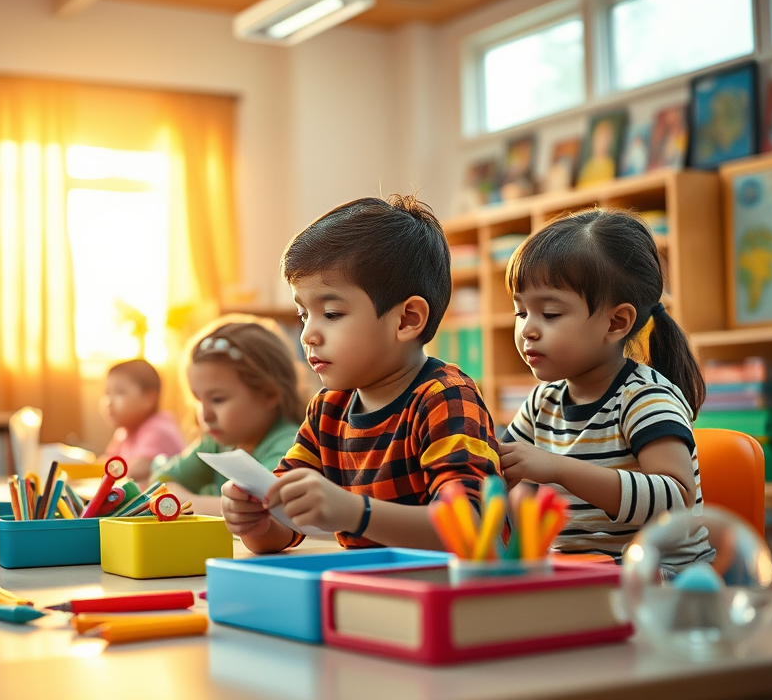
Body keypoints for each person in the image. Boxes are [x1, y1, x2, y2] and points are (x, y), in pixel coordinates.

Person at [222, 195, 502, 553]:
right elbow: (282, 531)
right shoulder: (328, 408)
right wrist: (256, 518)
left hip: (454, 595)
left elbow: (471, 528)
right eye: (303, 314)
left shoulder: (444, 398)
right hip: (368, 591)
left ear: (407, 320)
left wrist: (356, 513)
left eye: (332, 314)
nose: (308, 334)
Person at [499, 208, 713, 570]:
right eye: (521, 312)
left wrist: (559, 469)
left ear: (616, 323)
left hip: (662, 586)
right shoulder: (541, 403)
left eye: (549, 314)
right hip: (579, 581)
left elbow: (676, 502)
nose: (527, 330)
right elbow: (507, 472)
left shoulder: (645, 399)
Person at [151, 317, 306, 515]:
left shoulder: (291, 447)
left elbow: (265, 510)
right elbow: (159, 482)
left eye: (217, 399)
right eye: (198, 400)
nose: (204, 415)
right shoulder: (216, 444)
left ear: (269, 395)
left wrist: (177, 502)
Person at [103, 359, 186, 483]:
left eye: (119, 392)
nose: (109, 401)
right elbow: (106, 462)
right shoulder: (124, 432)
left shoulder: (158, 428)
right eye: (106, 393)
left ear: (149, 398)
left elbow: (135, 470)